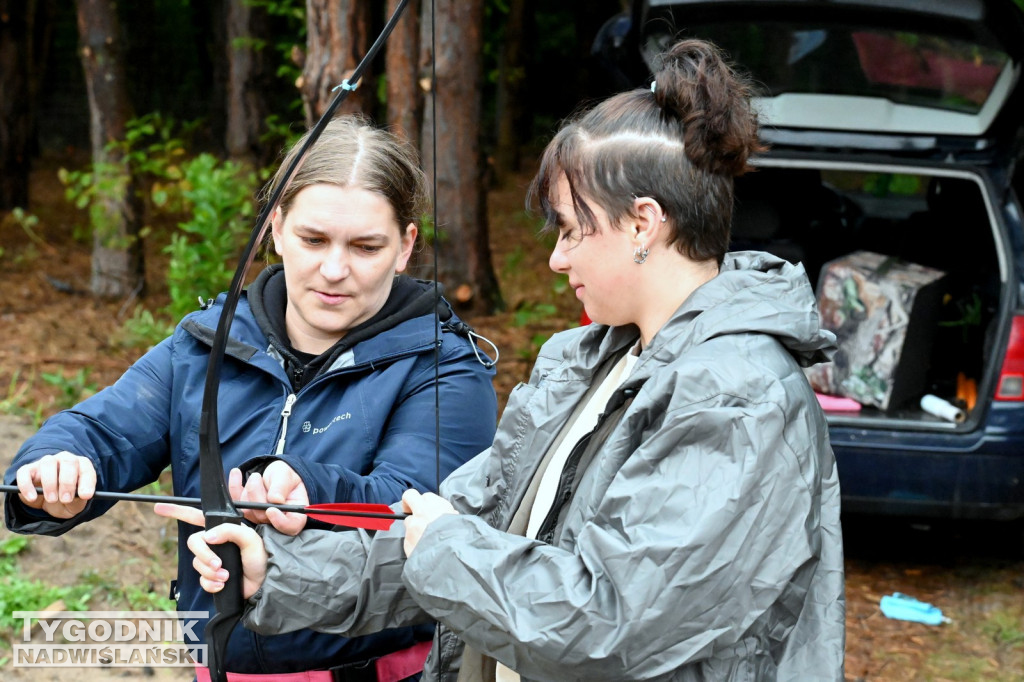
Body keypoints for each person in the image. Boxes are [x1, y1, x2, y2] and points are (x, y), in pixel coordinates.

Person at [162, 39, 846, 681]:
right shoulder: (585, 364)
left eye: (574, 229)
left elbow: (615, 621)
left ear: (643, 224)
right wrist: (276, 571)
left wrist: (444, 547)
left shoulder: (737, 396)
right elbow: (453, 528)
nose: (556, 257)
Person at [4, 115, 499, 681]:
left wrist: (307, 487)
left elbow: (415, 511)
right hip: (220, 666)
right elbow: (103, 431)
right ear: (277, 228)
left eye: (365, 246)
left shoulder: (446, 367)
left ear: (405, 247)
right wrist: (53, 470)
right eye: (313, 239)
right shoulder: (207, 343)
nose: (333, 270)